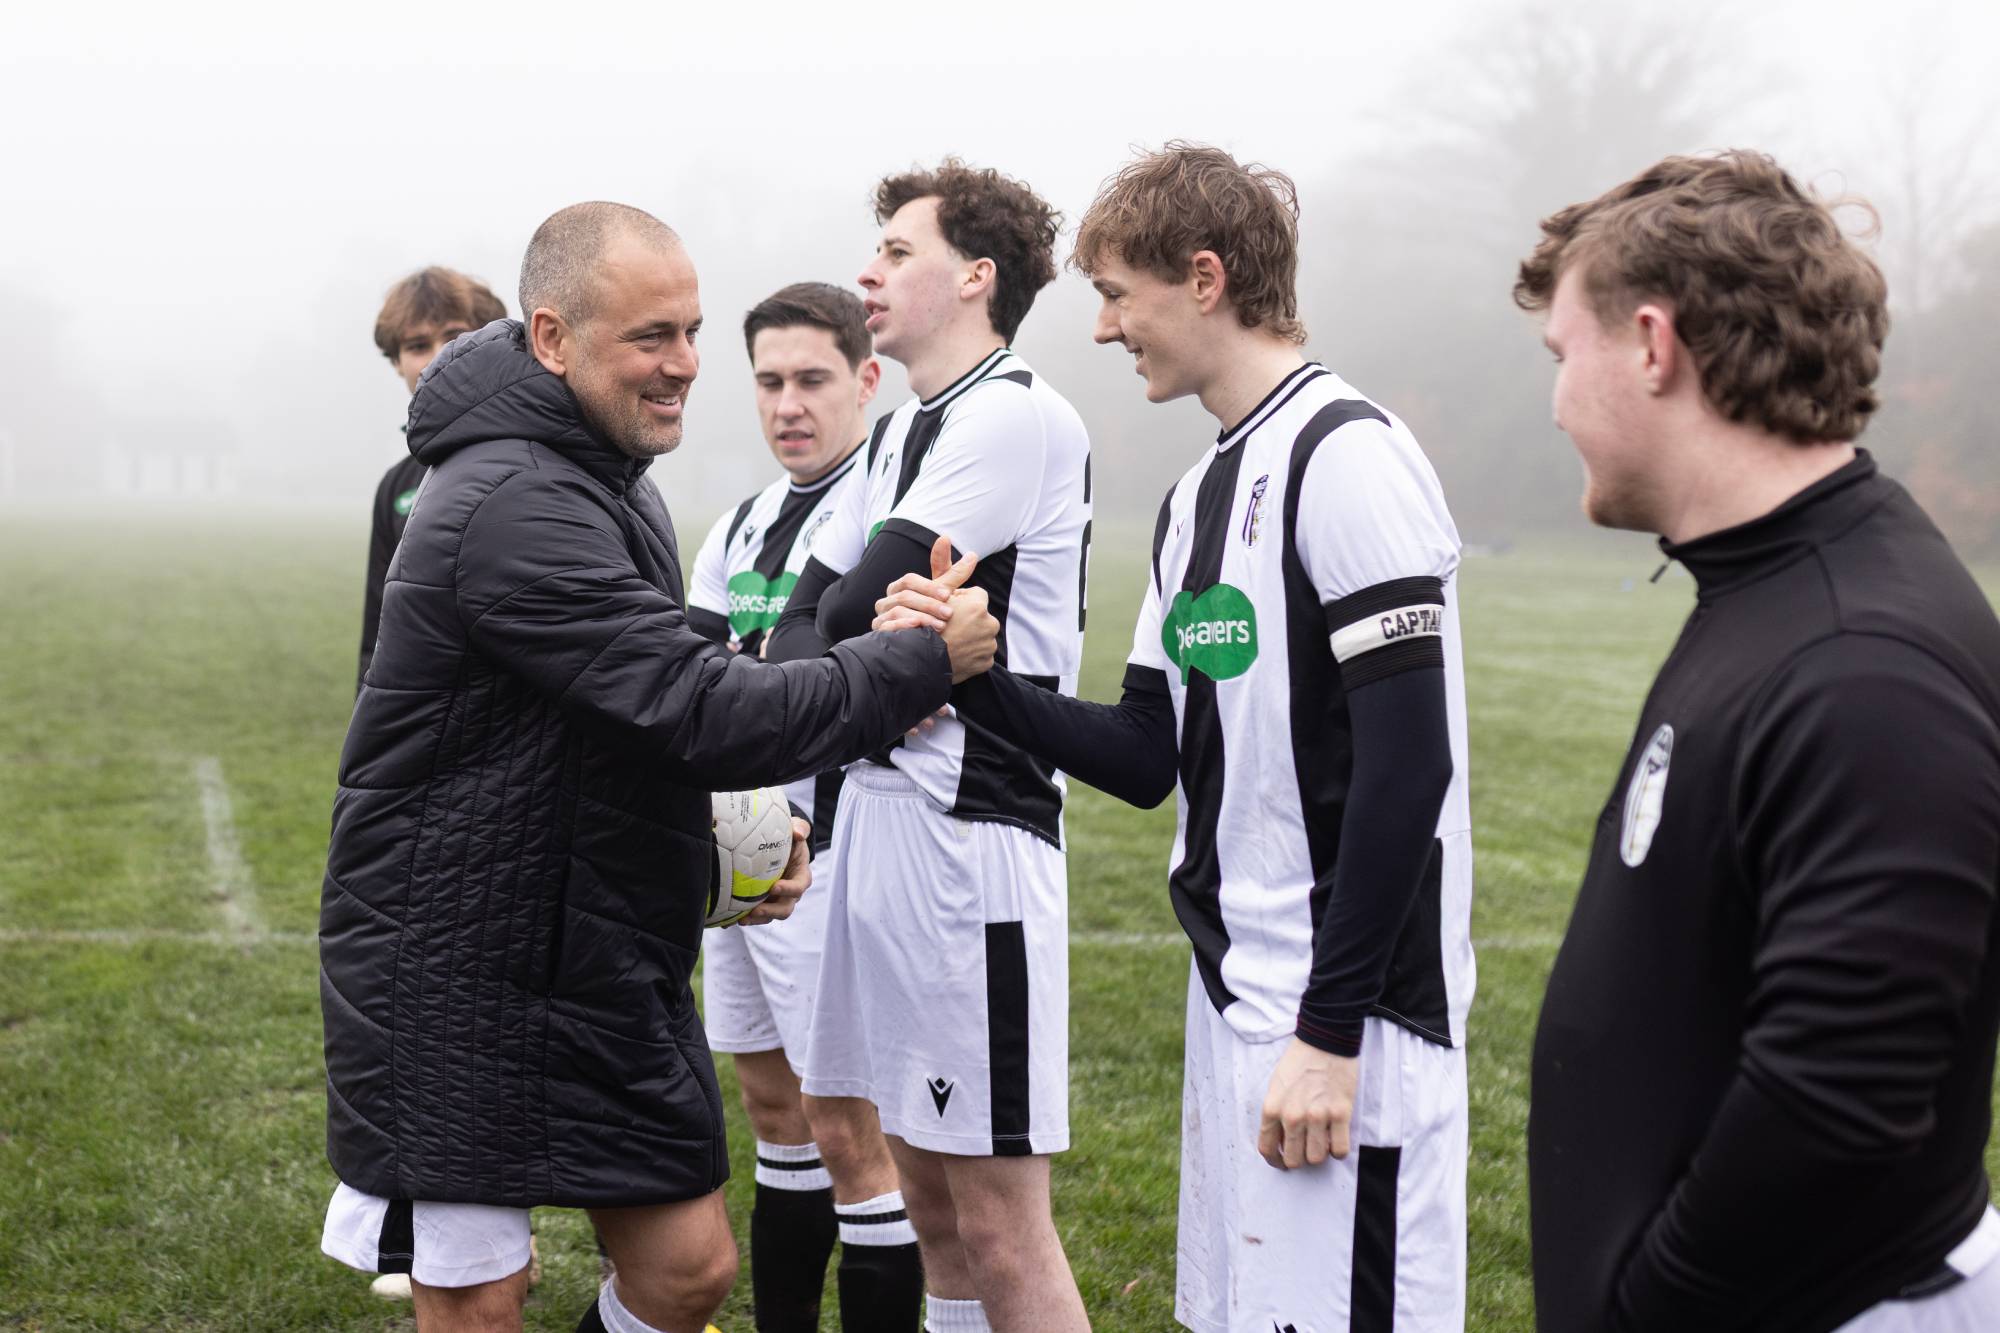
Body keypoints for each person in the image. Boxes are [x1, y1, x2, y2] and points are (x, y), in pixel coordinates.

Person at [316, 200, 998, 1333]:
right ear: (550, 339)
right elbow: (701, 710)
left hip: (584, 950)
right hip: (456, 967)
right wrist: (916, 660)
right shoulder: (507, 501)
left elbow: (647, 679)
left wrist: (728, 848)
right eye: (650, 337)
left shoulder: (601, 468)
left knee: (685, 1269)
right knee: (480, 1300)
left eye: (688, 330)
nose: (684, 364)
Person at [875, 142, 1475, 1332]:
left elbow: (1409, 771)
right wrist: (973, 674)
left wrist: (1328, 1029)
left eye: (1116, 295)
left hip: (1344, 1027)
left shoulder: (1345, 457)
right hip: (1235, 1004)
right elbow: (1150, 754)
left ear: (1202, 278)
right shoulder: (1198, 494)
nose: (1102, 329)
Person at [1514, 150, 2000, 1332]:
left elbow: (1841, 1096)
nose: (1554, 400)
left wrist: (1651, 1308)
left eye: (1559, 355)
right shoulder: (1765, 587)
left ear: (1649, 343)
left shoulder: (1859, 659)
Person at [765, 159, 1093, 1333]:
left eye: (897, 252)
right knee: (928, 1209)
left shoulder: (1012, 413)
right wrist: (861, 638)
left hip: (972, 844)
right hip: (879, 828)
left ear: (975, 277)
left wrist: (857, 633)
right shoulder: (905, 426)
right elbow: (805, 621)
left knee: (1002, 1226)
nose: (870, 270)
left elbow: (844, 617)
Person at [683, 282, 924, 1331]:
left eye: (812, 379)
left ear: (865, 381)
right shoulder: (736, 523)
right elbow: (691, 672)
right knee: (773, 1113)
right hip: (734, 841)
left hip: (828, 850)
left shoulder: (886, 510)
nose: (788, 404)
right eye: (769, 382)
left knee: (846, 1131)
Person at [359, 266, 507, 692]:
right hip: (426, 729)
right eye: (417, 345)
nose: (440, 355)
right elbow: (378, 635)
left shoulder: (537, 454)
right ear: (396, 362)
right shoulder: (396, 487)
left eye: (455, 336)